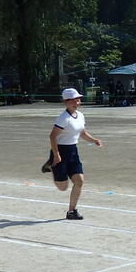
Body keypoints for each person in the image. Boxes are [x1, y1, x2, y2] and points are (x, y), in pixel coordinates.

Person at [42, 88, 103, 220]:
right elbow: (52, 136)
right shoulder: (63, 118)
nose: (77, 103)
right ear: (66, 102)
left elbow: (82, 133)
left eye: (78, 100)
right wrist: (56, 155)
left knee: (79, 181)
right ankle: (51, 167)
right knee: (62, 187)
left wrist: (94, 140)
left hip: (73, 152)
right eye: (73, 100)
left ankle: (71, 211)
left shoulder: (80, 115)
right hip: (60, 152)